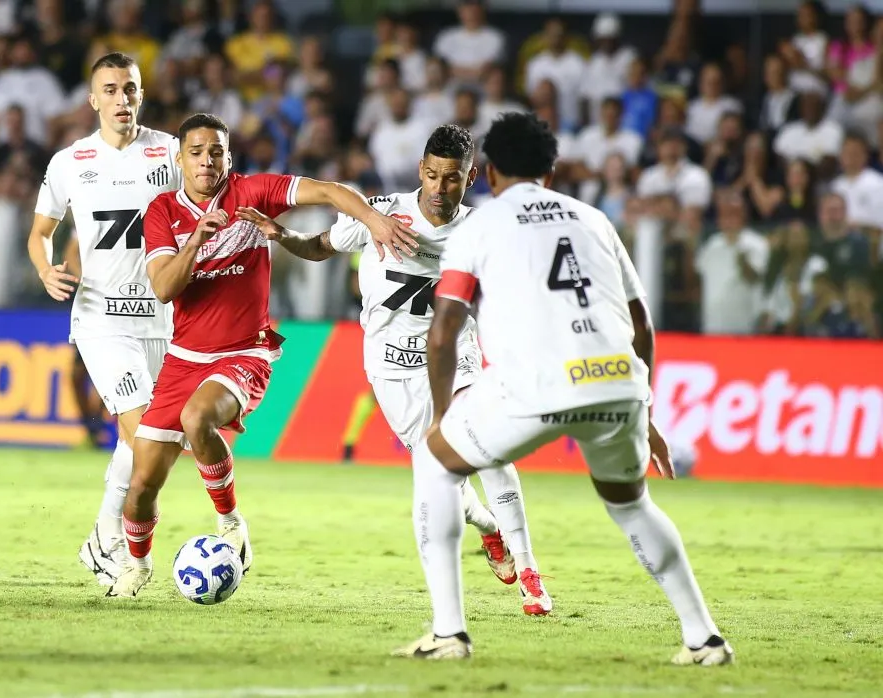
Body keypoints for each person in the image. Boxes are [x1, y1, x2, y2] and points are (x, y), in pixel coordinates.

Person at [392, 113, 732, 665]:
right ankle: (704, 638)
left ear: (490, 172)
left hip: (537, 386)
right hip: (616, 386)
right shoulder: (595, 219)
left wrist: (437, 421)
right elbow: (642, 326)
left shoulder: (479, 225)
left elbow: (445, 329)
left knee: (435, 464)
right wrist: (644, 413)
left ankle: (449, 633)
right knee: (633, 506)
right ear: (551, 170)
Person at [237, 125, 550, 616]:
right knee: (440, 475)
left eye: (452, 179)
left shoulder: (481, 231)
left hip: (454, 361)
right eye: (432, 176)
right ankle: (490, 528)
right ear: (420, 171)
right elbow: (322, 246)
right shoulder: (382, 212)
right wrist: (282, 235)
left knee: (489, 449)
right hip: (390, 367)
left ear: (469, 180)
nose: (440, 188)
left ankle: (531, 574)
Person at [107, 113, 417, 598]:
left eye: (216, 152)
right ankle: (137, 567)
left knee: (197, 419)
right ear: (179, 158)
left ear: (229, 158)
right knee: (142, 482)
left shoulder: (253, 193)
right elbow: (165, 288)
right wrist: (198, 239)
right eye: (197, 152)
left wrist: (373, 219)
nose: (207, 160)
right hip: (184, 357)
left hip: (243, 352)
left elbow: (329, 191)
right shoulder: (162, 212)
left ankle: (229, 522)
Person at [27, 52, 182, 587]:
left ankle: (101, 535)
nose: (122, 99)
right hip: (100, 318)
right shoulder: (70, 162)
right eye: (111, 90)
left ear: (142, 94)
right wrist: (46, 270)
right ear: (94, 100)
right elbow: (40, 233)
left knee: (149, 440)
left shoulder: (171, 152)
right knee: (146, 435)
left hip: (162, 319)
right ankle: (122, 540)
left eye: (131, 89)